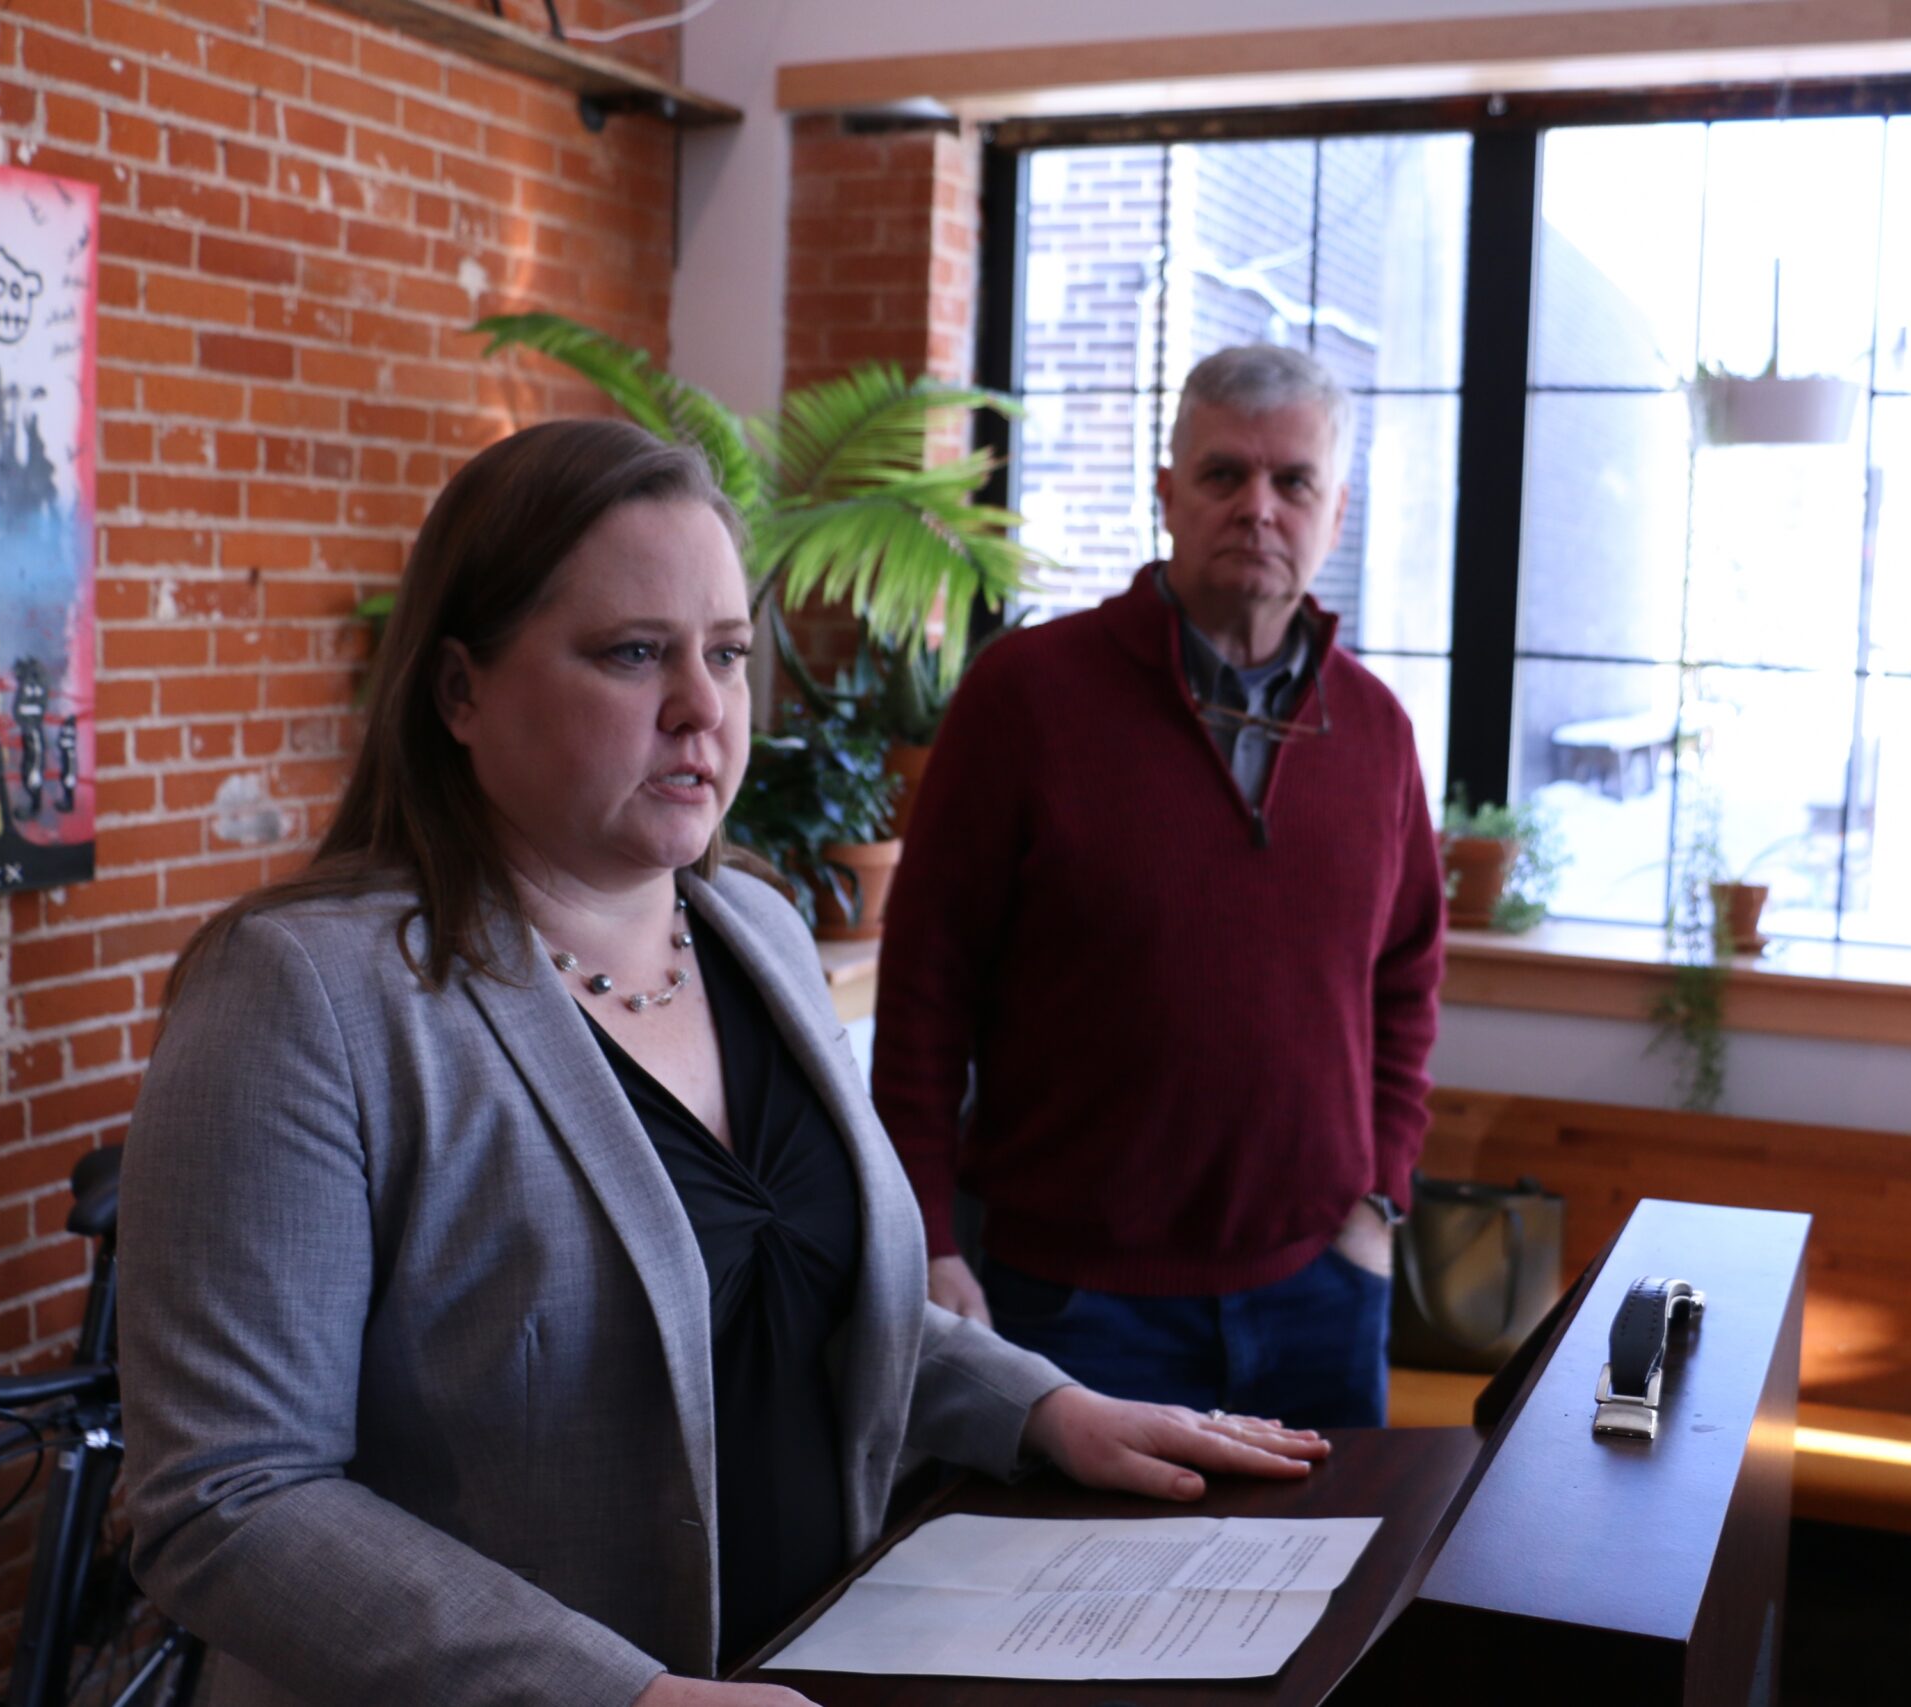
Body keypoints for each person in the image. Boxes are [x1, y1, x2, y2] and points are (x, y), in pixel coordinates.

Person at [117, 419, 1331, 1707]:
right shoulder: (311, 997)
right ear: (460, 691)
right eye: (633, 654)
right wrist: (616, 1699)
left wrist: (1038, 1409)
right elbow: (230, 1501)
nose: (702, 708)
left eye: (728, 654)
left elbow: (798, 1304)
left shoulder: (755, 926)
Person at [873, 344, 1444, 1431]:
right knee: (1058, 1603)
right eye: (1223, 475)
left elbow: (1407, 976)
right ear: (1166, 493)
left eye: (1293, 482)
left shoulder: (1374, 730)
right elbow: (925, 990)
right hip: (1071, 1300)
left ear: (1337, 510)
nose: (1258, 509)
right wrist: (928, 1237)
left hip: (1318, 1290)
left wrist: (1377, 1195)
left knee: (1326, 1598)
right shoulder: (1027, 698)